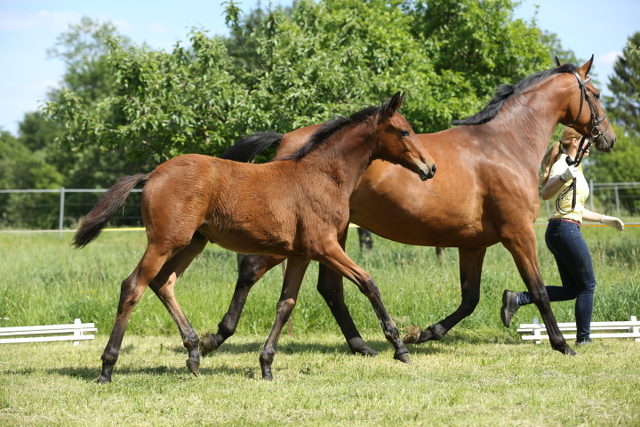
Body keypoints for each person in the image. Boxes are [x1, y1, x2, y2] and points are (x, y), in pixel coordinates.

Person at [500, 127, 624, 345]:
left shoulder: (576, 166)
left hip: (563, 228)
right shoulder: (564, 164)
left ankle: (518, 298)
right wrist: (565, 174)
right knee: (588, 285)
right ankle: (584, 339)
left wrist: (606, 219)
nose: (591, 146)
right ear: (575, 141)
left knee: (572, 289)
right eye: (587, 141)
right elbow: (546, 193)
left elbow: (575, 209)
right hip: (565, 230)